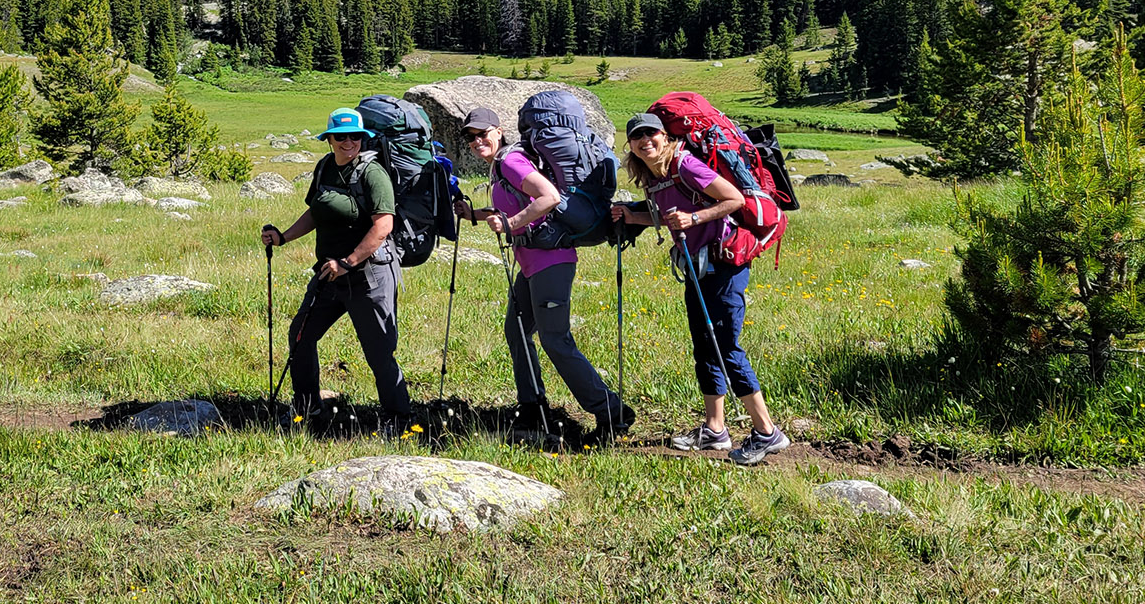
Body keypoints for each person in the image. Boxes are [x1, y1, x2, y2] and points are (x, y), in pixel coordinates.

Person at [610, 112, 790, 466]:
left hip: (725, 262)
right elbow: (667, 216)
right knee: (705, 345)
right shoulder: (655, 176)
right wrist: (632, 217)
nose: (645, 141)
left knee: (725, 346)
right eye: (637, 137)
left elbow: (734, 200)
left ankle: (768, 432)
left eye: (651, 134)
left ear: (665, 136)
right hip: (697, 265)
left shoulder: (685, 164)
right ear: (630, 144)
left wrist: (694, 219)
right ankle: (715, 428)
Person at [456, 105, 633, 445]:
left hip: (551, 261)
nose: (477, 141)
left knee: (555, 339)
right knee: (517, 330)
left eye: (482, 133)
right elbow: (513, 205)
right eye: (471, 137)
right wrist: (473, 214)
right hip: (532, 262)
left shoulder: (511, 161)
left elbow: (548, 197)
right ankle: (533, 406)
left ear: (498, 131)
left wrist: (511, 224)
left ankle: (611, 411)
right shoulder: (501, 166)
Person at [260, 106, 414, 435]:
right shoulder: (324, 168)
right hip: (329, 274)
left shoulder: (373, 173)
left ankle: (398, 418)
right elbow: (316, 213)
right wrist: (283, 237)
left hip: (369, 275)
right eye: (340, 136)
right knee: (301, 335)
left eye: (355, 136)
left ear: (363, 137)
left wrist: (348, 262)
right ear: (329, 139)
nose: (348, 142)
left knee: (379, 350)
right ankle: (307, 407)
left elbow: (383, 226)